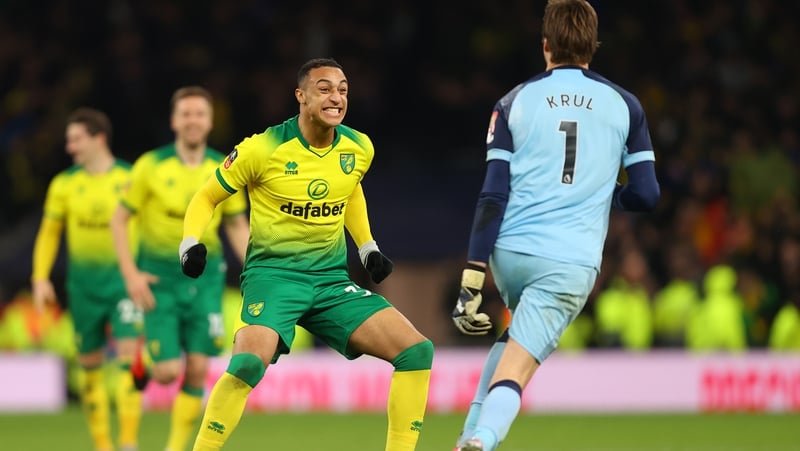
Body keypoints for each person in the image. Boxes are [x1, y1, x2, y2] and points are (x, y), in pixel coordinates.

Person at [179, 57, 433, 451]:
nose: (336, 98)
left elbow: (349, 189)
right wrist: (190, 243)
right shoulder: (262, 148)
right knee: (247, 363)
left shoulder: (358, 147)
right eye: (324, 89)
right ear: (301, 96)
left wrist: (367, 247)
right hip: (273, 277)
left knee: (416, 351)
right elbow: (206, 196)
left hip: (330, 282)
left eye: (343, 90)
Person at [450, 1, 661, 450]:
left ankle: (465, 438)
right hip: (567, 260)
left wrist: (473, 276)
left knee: (512, 343)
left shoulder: (513, 102)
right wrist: (608, 193)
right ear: (593, 45)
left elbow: (493, 194)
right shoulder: (625, 105)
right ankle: (483, 440)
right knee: (518, 367)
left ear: (545, 45)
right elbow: (647, 195)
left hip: (510, 252)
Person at [110, 86, 250, 451]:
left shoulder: (225, 168)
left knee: (199, 369)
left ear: (210, 121)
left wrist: (256, 269)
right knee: (167, 372)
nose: (192, 120)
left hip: (206, 278)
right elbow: (119, 220)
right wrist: (130, 274)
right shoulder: (150, 166)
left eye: (199, 114)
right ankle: (143, 362)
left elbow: (236, 225)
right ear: (174, 121)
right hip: (159, 277)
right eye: (185, 114)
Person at [31, 107, 144, 451]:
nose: (70, 147)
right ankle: (102, 445)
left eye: (76, 139)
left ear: (99, 139)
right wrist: (40, 277)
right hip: (83, 288)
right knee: (89, 366)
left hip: (124, 284)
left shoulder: (130, 178)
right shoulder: (64, 184)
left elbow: (151, 225)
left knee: (129, 358)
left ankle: (128, 442)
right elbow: (49, 233)